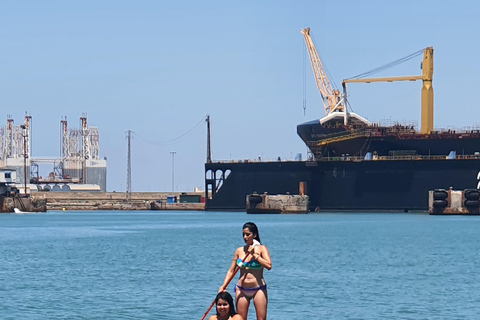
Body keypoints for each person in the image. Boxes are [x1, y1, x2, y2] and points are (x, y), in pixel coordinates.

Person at [219, 222, 272, 320]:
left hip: (258, 288)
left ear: (254, 235)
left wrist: (256, 256)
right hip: (241, 289)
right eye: (243, 234)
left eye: (248, 234)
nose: (245, 237)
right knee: (240, 318)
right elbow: (231, 271)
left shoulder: (261, 249)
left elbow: (268, 265)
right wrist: (223, 286)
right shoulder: (239, 250)